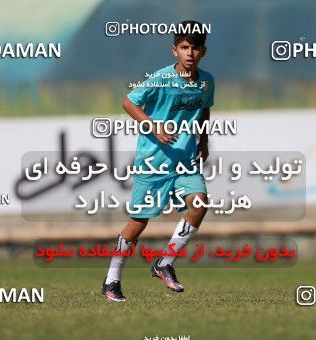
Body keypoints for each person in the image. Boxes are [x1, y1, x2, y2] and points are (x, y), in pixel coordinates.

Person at [102, 20, 215, 302]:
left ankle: (164, 264)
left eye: (195, 48)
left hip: (185, 161)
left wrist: (203, 141)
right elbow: (129, 103)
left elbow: (204, 111)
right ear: (174, 50)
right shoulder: (161, 79)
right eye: (184, 47)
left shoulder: (206, 81)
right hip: (153, 162)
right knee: (139, 222)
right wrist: (154, 126)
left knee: (199, 203)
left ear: (203, 51)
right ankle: (111, 280)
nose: (190, 53)